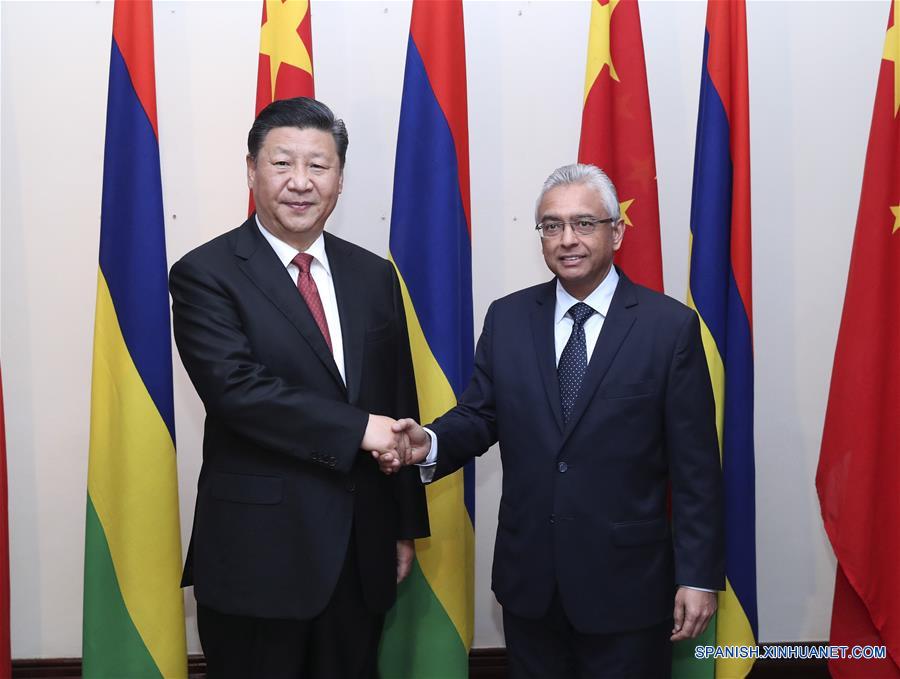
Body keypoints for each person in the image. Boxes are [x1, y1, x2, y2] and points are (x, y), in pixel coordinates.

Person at [380, 164, 724, 678]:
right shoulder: (507, 318)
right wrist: (426, 442)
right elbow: (480, 415)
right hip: (530, 584)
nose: (567, 240)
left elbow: (696, 468)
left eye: (585, 224)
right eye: (551, 225)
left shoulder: (669, 328)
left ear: (617, 231)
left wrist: (698, 576)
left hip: (629, 586)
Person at [169, 96, 428, 679]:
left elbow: (399, 400)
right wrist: (361, 429)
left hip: (361, 552)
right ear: (252, 170)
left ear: (339, 178)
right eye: (283, 163)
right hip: (258, 557)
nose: (300, 182)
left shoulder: (373, 274)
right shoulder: (205, 273)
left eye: (319, 165)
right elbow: (238, 391)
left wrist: (403, 525)